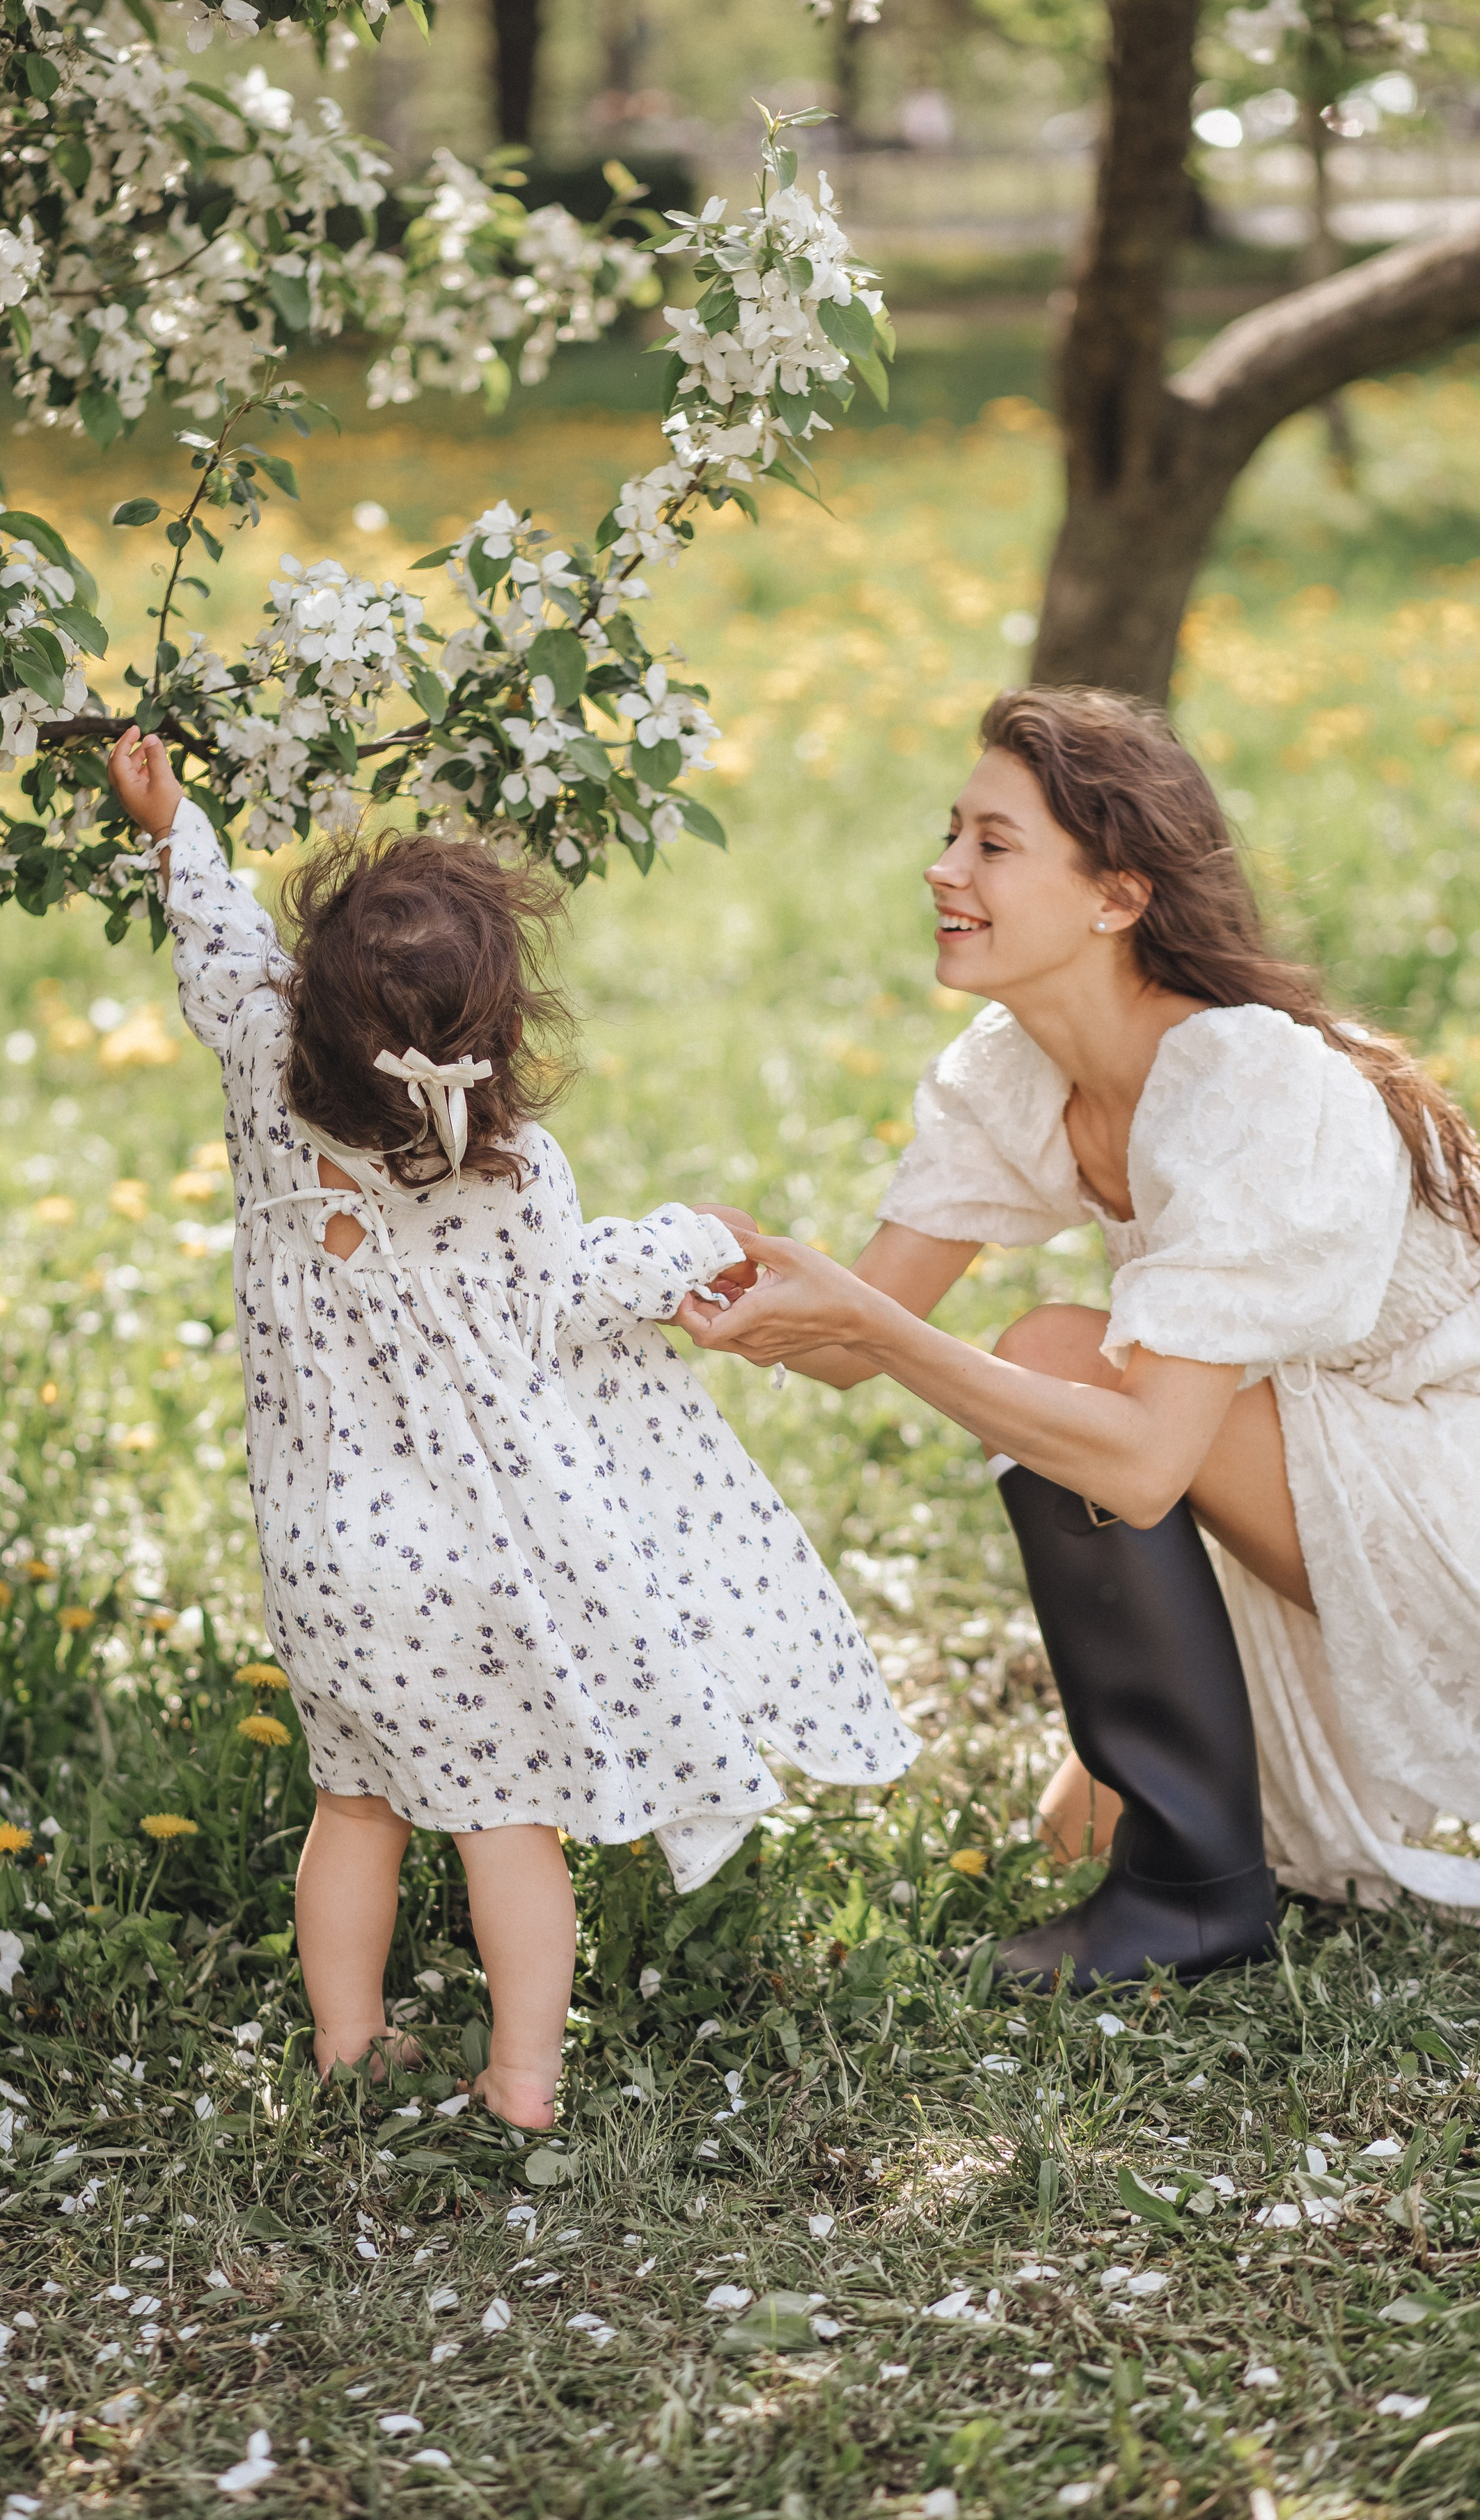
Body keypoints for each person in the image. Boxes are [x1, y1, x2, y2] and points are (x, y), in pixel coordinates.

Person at [108, 730, 915, 2127]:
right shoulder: (515, 1172)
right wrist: (688, 1243)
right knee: (504, 1821)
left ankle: (348, 2044)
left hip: (317, 1555)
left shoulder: (261, 1090)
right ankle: (522, 2080)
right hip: (472, 1565)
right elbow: (566, 1299)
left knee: (351, 1804)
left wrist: (172, 822)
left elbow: (220, 956)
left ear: (308, 1014)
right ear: (500, 1029)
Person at [682, 686, 1480, 1992]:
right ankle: (1178, 1863)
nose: (943, 869)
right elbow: (844, 1340)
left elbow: (1149, 1460)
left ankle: (1196, 1900)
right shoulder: (1017, 1069)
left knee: (1059, 1345)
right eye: (953, 834)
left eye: (993, 845)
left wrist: (877, 1328)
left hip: (1446, 1486)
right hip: (1310, 1469)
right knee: (1073, 1837)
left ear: (1118, 897)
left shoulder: (1251, 1079)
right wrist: (719, 1267)